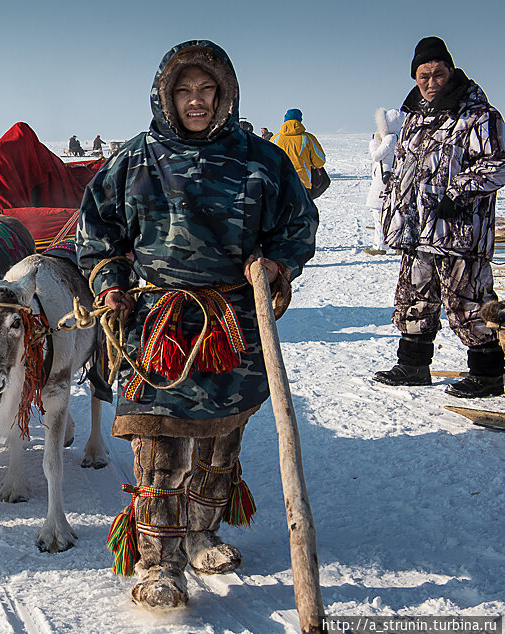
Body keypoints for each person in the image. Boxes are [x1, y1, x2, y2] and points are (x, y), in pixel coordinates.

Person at [77, 40, 317, 609]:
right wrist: (110, 279)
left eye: (207, 90)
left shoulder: (262, 160)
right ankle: (159, 561)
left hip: (230, 326)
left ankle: (204, 531)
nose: (196, 101)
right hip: (157, 324)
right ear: (165, 95)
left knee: (219, 442)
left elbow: (298, 223)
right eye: (184, 91)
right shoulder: (134, 161)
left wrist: (277, 262)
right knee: (160, 446)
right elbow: (97, 231)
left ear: (226, 94)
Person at [373, 36, 505, 398]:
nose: (431, 82)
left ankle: (489, 372)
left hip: (459, 230)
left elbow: (497, 164)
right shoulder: (415, 116)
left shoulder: (479, 115)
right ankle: (413, 366)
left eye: (438, 73)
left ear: (451, 71)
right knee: (414, 298)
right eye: (423, 75)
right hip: (417, 230)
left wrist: (457, 191)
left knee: (467, 301)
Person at [364, 108, 404, 256]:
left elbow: (376, 156)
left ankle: (379, 245)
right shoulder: (398, 137)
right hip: (389, 177)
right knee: (392, 213)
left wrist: (375, 140)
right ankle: (396, 244)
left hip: (383, 180)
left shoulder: (390, 138)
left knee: (379, 214)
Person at [270, 109, 326, 194]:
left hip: (279, 183)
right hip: (302, 184)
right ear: (300, 121)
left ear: (285, 120)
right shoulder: (308, 138)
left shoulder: (275, 139)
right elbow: (320, 161)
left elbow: (267, 160)